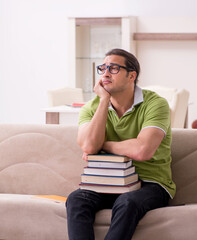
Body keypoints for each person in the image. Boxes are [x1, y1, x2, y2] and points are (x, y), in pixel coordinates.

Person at [65, 48, 176, 240]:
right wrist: (104, 101)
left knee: (127, 202)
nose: (105, 73)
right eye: (103, 68)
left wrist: (104, 145)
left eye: (114, 68)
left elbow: (142, 150)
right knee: (76, 199)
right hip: (107, 182)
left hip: (149, 183)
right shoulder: (92, 107)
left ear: (131, 75)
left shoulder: (156, 104)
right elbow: (89, 147)